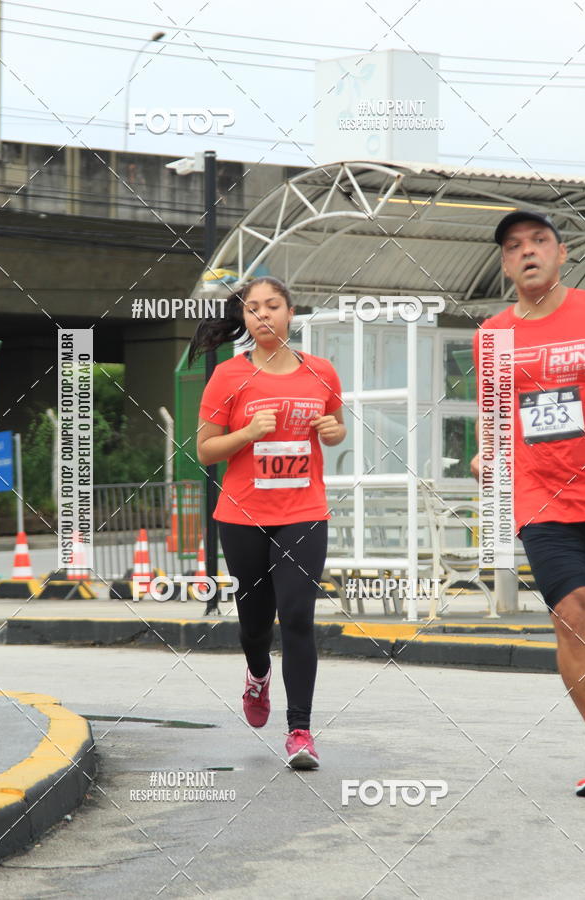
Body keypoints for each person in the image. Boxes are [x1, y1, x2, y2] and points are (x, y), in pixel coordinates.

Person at [189, 276, 346, 769]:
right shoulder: (228, 376)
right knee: (255, 625)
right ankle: (257, 675)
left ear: (290, 313)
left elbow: (336, 428)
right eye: (253, 307)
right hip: (243, 516)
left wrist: (333, 431)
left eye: (272, 305)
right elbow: (204, 450)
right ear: (244, 318)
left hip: (304, 512)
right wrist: (247, 433)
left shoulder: (321, 371)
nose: (263, 314)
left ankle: (300, 731)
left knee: (297, 617)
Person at [470, 210, 585, 796]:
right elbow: (492, 416)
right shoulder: (492, 337)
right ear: (505, 264)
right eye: (515, 246)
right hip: (541, 497)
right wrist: (484, 454)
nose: (528, 251)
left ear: (562, 253)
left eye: (540, 240)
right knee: (573, 615)